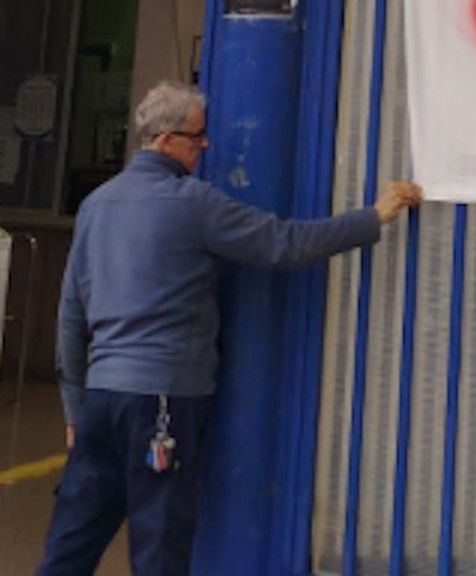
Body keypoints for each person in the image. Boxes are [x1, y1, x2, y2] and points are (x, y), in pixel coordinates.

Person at [36, 80, 423, 576]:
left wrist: (75, 407)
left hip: (102, 398)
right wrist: (374, 217)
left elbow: (71, 312)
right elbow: (284, 243)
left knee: (71, 541)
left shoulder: (96, 205)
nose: (203, 147)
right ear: (164, 139)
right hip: (164, 403)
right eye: (196, 137)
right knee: (159, 548)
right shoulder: (194, 203)